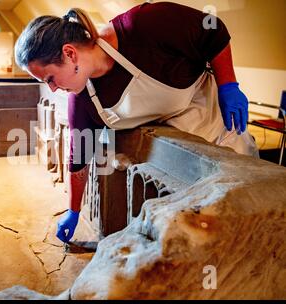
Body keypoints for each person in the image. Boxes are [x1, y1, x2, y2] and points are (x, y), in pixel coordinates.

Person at [14, 2, 258, 243]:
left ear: (69, 53)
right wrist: (73, 211)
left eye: (50, 78)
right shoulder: (83, 99)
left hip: (222, 126)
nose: (53, 88)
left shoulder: (143, 25)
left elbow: (212, 29)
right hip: (180, 156)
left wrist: (228, 85)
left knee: (248, 216)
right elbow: (78, 158)